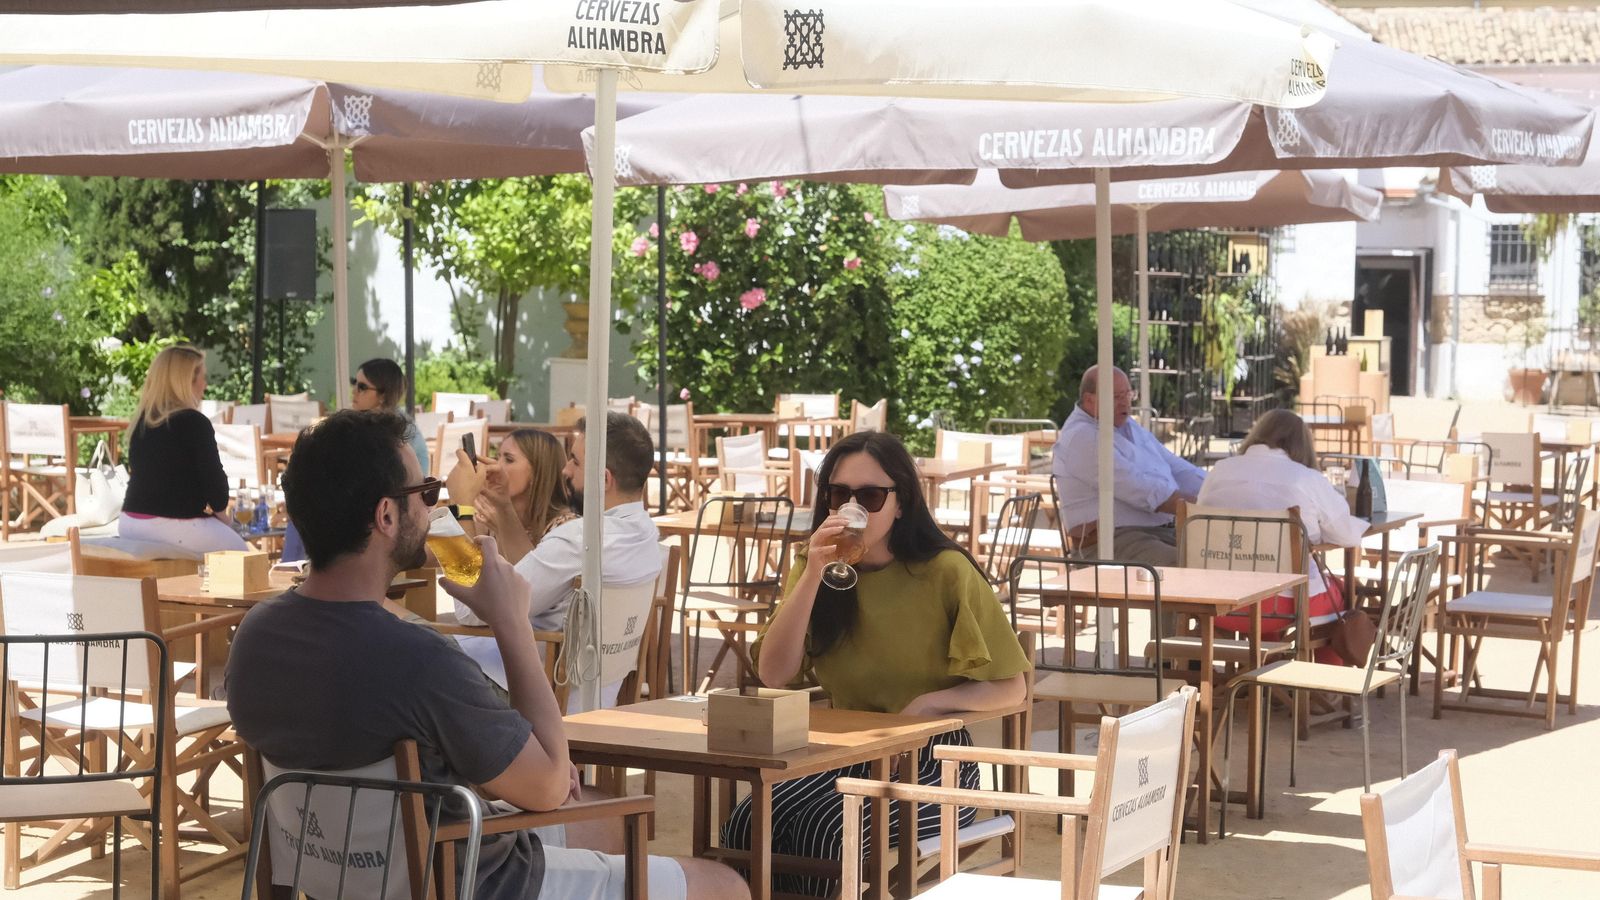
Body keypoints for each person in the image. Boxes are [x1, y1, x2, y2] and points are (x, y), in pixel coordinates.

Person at [224, 410, 748, 900]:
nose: (432, 506)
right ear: (386, 515)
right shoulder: (420, 659)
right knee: (726, 885)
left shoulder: (253, 636)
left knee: (601, 820)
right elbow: (546, 787)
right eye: (425, 493)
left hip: (338, 877)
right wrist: (510, 621)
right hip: (473, 878)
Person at [735, 431, 1031, 897]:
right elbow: (774, 673)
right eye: (839, 494)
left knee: (823, 828)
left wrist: (929, 705)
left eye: (871, 496)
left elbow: (1012, 688)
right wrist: (812, 575)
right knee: (749, 821)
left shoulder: (945, 571)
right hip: (843, 752)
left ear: (901, 504)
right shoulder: (814, 566)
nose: (853, 507)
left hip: (934, 759)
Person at [453, 412, 661, 707]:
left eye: (575, 461)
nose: (565, 470)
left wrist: (460, 506)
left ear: (604, 479)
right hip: (594, 699)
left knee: (412, 650)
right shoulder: (648, 536)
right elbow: (531, 578)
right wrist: (504, 506)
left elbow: (471, 609)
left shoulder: (579, 540)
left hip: (534, 699)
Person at [1197, 409, 1369, 654]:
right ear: (1301, 443)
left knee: (1273, 581)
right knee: (1342, 597)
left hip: (1217, 602)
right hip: (1284, 605)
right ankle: (1321, 678)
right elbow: (1347, 536)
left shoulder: (1219, 471)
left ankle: (1264, 670)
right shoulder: (1306, 478)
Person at [1052, 365, 1205, 566]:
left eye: (1127, 395)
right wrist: (1203, 506)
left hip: (1156, 533)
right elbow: (1142, 490)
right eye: (1116, 397)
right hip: (1109, 542)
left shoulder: (1126, 425)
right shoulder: (1081, 437)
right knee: (1192, 564)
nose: (1125, 402)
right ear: (1090, 400)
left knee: (1217, 555)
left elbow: (1177, 468)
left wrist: (1216, 488)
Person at [281, 358, 427, 563]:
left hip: (396, 512)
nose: (354, 392)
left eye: (362, 387)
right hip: (373, 505)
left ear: (383, 395)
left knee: (311, 511)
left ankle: (294, 568)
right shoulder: (367, 429)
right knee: (306, 505)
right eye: (354, 383)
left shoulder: (399, 434)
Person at [119, 345, 248, 554]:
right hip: (172, 523)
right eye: (202, 378)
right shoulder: (194, 422)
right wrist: (223, 519)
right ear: (186, 382)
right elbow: (218, 495)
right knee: (242, 555)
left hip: (129, 522)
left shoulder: (142, 423)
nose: (205, 384)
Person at [446, 427, 577, 546]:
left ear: (538, 472)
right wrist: (464, 498)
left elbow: (526, 565)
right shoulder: (490, 515)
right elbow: (455, 556)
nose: (497, 466)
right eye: (497, 457)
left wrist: (463, 505)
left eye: (509, 459)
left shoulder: (564, 527)